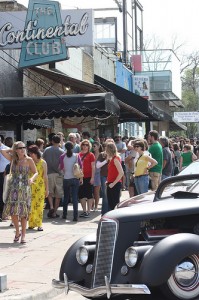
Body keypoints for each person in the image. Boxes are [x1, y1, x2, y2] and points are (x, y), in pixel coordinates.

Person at [1, 141, 38, 244]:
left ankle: (23, 235)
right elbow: (2, 151)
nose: (23, 149)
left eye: (24, 147)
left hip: (25, 188)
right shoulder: (13, 159)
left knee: (23, 213)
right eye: (20, 148)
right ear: (16, 150)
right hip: (13, 188)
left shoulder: (29, 159)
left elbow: (36, 172)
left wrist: (31, 179)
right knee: (13, 212)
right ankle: (17, 231)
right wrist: (11, 150)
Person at [28, 145, 49, 231]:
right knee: (31, 205)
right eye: (30, 153)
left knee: (40, 205)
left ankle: (39, 224)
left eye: (31, 153)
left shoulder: (43, 162)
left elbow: (45, 176)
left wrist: (47, 189)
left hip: (40, 186)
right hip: (30, 186)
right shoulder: (29, 162)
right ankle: (32, 223)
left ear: (36, 153)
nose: (30, 155)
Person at [43, 135, 64, 218]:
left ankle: (51, 206)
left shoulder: (46, 150)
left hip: (48, 173)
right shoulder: (62, 151)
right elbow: (62, 164)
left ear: (52, 141)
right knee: (58, 194)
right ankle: (54, 212)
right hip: (58, 174)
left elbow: (43, 160)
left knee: (50, 192)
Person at [59, 141, 81, 222]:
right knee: (75, 198)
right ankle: (75, 216)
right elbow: (80, 166)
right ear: (73, 147)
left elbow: (61, 167)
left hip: (66, 178)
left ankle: (64, 214)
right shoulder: (76, 156)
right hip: (75, 178)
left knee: (66, 197)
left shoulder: (62, 156)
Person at [78, 139, 95, 218]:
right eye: (83, 145)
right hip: (80, 177)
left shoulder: (91, 155)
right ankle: (84, 211)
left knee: (89, 194)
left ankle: (88, 211)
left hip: (88, 177)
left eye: (86, 145)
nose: (85, 146)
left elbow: (93, 167)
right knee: (81, 195)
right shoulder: (79, 154)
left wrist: (92, 177)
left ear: (89, 146)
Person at [106, 142, 124, 211]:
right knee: (111, 203)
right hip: (111, 183)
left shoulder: (115, 159)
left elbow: (121, 173)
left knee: (114, 204)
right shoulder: (113, 158)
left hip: (114, 184)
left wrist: (113, 183)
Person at [0, 135, 10, 221]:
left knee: (4, 193)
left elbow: (12, 161)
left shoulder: (6, 149)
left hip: (3, 173)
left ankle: (4, 213)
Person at [92, 141, 102, 211]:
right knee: (91, 192)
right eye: (93, 146)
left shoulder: (102, 155)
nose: (93, 147)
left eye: (94, 146)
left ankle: (96, 206)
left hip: (98, 174)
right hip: (92, 174)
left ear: (98, 146)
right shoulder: (91, 154)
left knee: (96, 192)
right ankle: (92, 206)